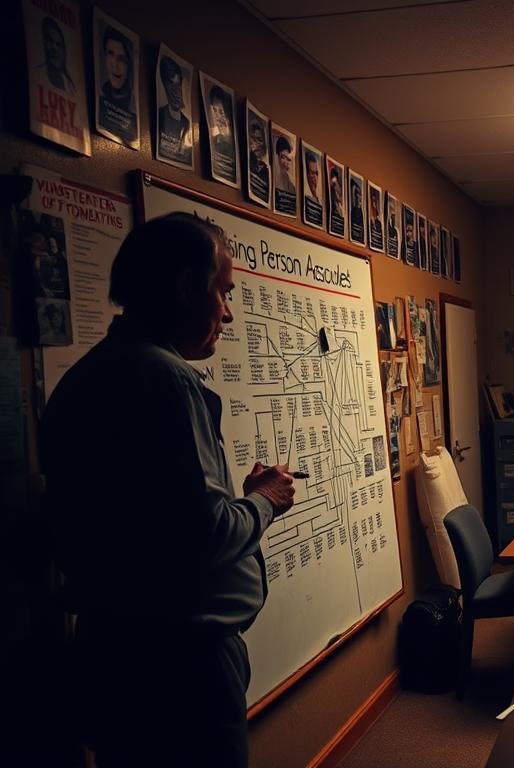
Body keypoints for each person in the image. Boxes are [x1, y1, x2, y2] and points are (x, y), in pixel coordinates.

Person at [40, 213, 296, 768]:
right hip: (184, 673)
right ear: (186, 287)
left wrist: (238, 500)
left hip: (113, 656)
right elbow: (202, 535)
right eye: (223, 291)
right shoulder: (168, 379)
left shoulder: (81, 380)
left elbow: (150, 523)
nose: (227, 311)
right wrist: (264, 500)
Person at [97, 25, 135, 144]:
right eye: (110, 54)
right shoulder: (99, 101)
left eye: (122, 58)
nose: (115, 64)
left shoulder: (133, 109)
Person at [157, 55, 191, 164]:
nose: (176, 92)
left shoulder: (186, 123)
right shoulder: (161, 115)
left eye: (178, 85)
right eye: (171, 85)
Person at [40, 17, 76, 94]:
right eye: (50, 41)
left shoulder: (70, 86)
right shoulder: (38, 74)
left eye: (58, 44)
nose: (54, 48)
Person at [207, 85, 236, 178]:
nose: (218, 117)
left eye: (221, 112)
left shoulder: (232, 146)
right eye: (214, 111)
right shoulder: (212, 140)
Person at [247, 116, 269, 199]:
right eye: (254, 139)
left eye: (260, 140)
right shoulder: (247, 162)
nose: (259, 144)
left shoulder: (264, 169)